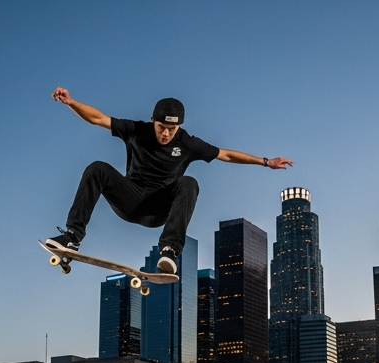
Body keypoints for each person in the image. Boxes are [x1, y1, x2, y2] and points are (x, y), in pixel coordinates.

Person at [45, 89, 293, 275]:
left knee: (189, 183)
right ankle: (72, 237)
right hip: (129, 200)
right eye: (162, 127)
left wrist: (265, 161)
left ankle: (169, 250)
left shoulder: (188, 143)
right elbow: (98, 118)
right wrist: (71, 102)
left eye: (171, 130)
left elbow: (225, 154)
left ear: (179, 127)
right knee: (97, 168)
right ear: (154, 121)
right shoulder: (136, 130)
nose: (166, 134)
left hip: (158, 209)